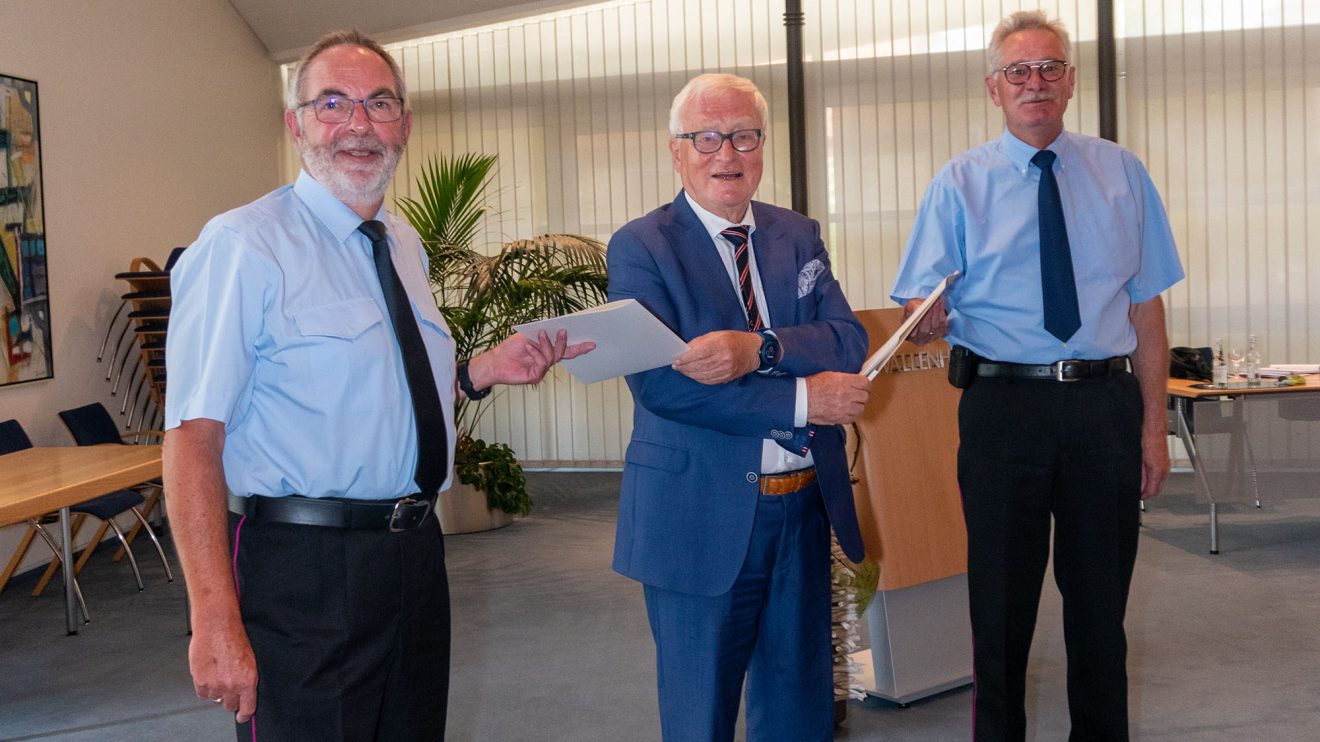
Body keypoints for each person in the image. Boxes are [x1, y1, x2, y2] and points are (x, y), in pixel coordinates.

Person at [163, 30, 590, 742]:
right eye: (333, 104)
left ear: (405, 124)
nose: (358, 124)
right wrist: (213, 619)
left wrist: (482, 372)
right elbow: (191, 440)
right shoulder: (243, 246)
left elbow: (381, 395)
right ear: (295, 124)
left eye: (378, 103)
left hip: (413, 555)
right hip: (302, 571)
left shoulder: (402, 242)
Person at [891, 10, 1184, 742]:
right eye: (1018, 72)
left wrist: (1154, 429)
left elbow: (1147, 310)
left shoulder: (1122, 172)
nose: (1035, 83)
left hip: (1103, 410)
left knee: (1099, 615)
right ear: (994, 89)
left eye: (1049, 68)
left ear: (1072, 81)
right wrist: (923, 318)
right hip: (1002, 408)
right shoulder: (957, 184)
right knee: (999, 611)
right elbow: (919, 302)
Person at [607, 72, 871, 742]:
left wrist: (761, 350)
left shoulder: (796, 234)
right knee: (701, 717)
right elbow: (663, 387)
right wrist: (808, 394)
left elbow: (847, 336)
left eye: (743, 136)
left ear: (761, 144)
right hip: (696, 517)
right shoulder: (642, 246)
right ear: (677, 151)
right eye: (706, 137)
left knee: (799, 710)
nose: (726, 153)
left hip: (801, 510)